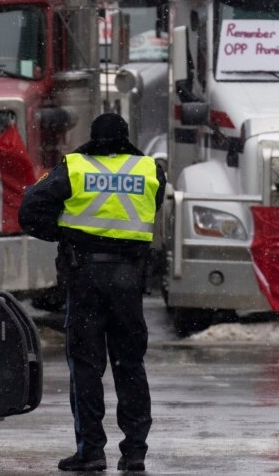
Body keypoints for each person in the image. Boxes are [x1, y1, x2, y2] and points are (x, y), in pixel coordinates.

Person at [19, 113, 164, 473]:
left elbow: (30, 209)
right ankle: (134, 454)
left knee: (86, 367)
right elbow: (150, 209)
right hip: (128, 279)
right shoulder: (150, 169)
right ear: (126, 138)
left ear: (93, 138)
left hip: (85, 277)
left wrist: (64, 234)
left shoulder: (75, 167)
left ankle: (91, 452)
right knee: (130, 365)